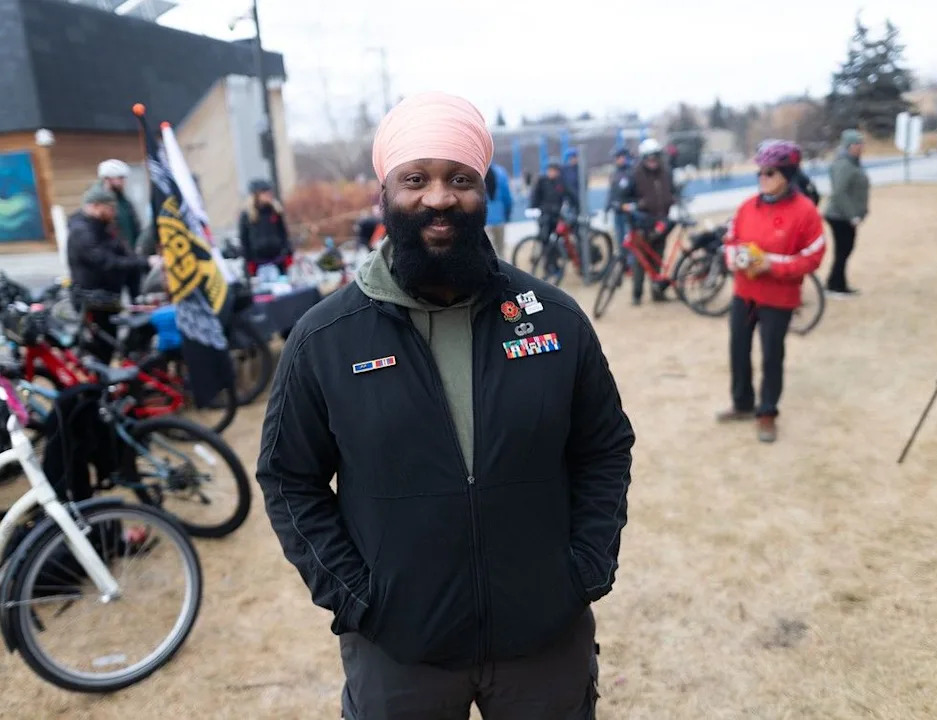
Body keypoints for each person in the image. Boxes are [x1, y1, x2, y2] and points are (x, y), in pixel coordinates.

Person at [256, 90, 635, 720]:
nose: (438, 197)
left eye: (460, 178)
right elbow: (289, 477)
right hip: (401, 651)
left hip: (543, 641)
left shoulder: (554, 317)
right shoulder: (325, 338)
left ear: (484, 190)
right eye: (416, 178)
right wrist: (355, 597)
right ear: (386, 191)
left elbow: (603, 447)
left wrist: (586, 567)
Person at [716, 140, 825, 443]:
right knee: (738, 348)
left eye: (770, 172)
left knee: (771, 356)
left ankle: (767, 412)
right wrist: (735, 257)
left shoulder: (806, 212)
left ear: (787, 175)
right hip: (745, 293)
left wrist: (771, 264)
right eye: (760, 172)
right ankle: (742, 403)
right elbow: (730, 240)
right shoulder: (747, 206)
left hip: (778, 298)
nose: (762, 177)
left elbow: (814, 255)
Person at [66, 185, 152, 363]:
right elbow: (105, 261)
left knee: (115, 340)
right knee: (103, 347)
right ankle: (98, 386)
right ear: (96, 206)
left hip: (107, 296)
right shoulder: (82, 232)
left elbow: (122, 251)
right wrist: (144, 262)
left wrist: (140, 260)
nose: (114, 213)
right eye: (110, 208)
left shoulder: (103, 226)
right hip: (93, 299)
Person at [620, 138, 676, 304]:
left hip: (661, 222)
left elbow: (672, 192)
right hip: (641, 224)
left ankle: (657, 292)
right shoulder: (634, 174)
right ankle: (637, 295)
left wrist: (674, 201)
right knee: (640, 261)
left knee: (658, 257)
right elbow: (624, 198)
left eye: (655, 157)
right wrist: (633, 208)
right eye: (649, 158)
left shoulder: (666, 173)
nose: (652, 161)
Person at [824, 129, 870, 296]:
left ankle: (836, 283)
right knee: (843, 251)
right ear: (850, 146)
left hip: (845, 216)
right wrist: (852, 215)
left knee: (845, 251)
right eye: (859, 144)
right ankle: (835, 286)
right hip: (840, 216)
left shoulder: (852, 162)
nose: (862, 147)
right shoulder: (844, 164)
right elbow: (839, 193)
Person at [96, 159, 142, 297]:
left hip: (130, 256)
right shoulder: (100, 203)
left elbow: (134, 224)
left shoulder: (124, 200)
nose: (123, 182)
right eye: (120, 178)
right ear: (108, 179)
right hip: (114, 259)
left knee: (136, 294)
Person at [238, 179, 292, 275]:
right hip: (258, 263)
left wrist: (288, 253)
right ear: (256, 195)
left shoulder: (275, 211)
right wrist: (248, 262)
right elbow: (244, 240)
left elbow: (284, 234)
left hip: (278, 260)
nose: (269, 194)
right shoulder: (247, 215)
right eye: (264, 192)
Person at [530, 159, 578, 244]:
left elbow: (571, 195)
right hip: (545, 214)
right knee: (544, 238)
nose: (551, 172)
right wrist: (533, 208)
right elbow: (535, 196)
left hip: (557, 215)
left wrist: (577, 207)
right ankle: (547, 253)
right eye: (550, 170)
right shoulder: (542, 181)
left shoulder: (561, 182)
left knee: (564, 233)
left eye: (553, 170)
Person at [605, 147, 633, 266]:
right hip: (617, 212)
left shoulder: (631, 172)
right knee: (620, 239)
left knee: (629, 239)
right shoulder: (614, 174)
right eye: (617, 158)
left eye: (621, 157)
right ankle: (624, 264)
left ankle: (632, 264)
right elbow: (611, 192)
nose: (619, 160)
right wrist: (607, 207)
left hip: (628, 212)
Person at [484, 162, 513, 257]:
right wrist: (507, 215)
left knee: (486, 253)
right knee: (501, 253)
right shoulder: (500, 172)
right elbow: (507, 197)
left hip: (483, 219)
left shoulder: (476, 172)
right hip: (499, 217)